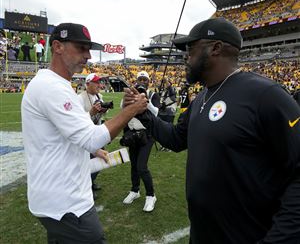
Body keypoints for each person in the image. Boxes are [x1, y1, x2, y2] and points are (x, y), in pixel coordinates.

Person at [125, 18, 300, 243]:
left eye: (191, 49)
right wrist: (143, 113)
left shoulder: (266, 95)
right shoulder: (201, 98)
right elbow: (177, 139)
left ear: (215, 48)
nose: (185, 57)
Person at [21, 22, 148, 244]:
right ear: (58, 46)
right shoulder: (53, 87)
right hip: (66, 204)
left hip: (54, 200)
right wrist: (131, 110)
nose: (88, 55)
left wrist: (93, 149)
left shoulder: (52, 84)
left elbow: (66, 136)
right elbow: (91, 136)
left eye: (89, 49)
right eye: (81, 48)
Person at [121, 71, 160, 212]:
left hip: (147, 135)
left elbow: (156, 112)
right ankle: (135, 190)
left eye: (145, 79)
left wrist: (144, 100)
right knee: (134, 165)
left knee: (141, 166)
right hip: (132, 134)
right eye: (140, 79)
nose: (142, 81)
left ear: (149, 81)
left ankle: (151, 195)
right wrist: (131, 96)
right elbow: (122, 108)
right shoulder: (131, 93)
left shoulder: (152, 94)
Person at [78, 73, 109, 199]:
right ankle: (86, 187)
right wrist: (91, 112)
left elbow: (100, 117)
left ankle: (90, 182)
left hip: (96, 131)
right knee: (88, 161)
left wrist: (103, 111)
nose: (98, 85)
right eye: (95, 82)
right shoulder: (79, 99)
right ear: (87, 84)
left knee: (100, 160)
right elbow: (78, 121)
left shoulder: (99, 96)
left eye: (99, 82)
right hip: (85, 135)